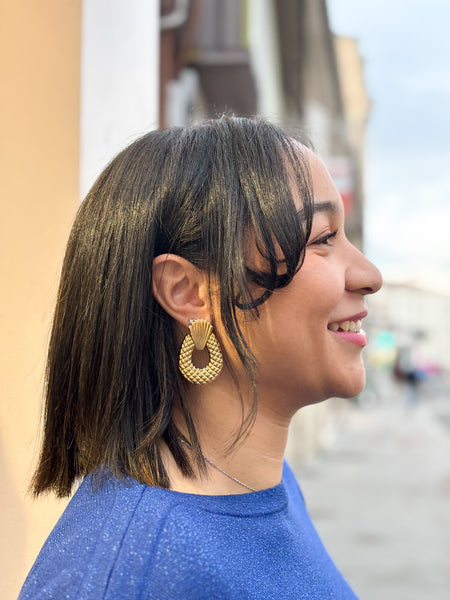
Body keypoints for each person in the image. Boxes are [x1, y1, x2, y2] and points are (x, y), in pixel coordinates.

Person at [19, 116, 382, 599]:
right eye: (322, 239)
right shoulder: (130, 577)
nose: (370, 275)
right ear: (188, 292)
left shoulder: (265, 487)